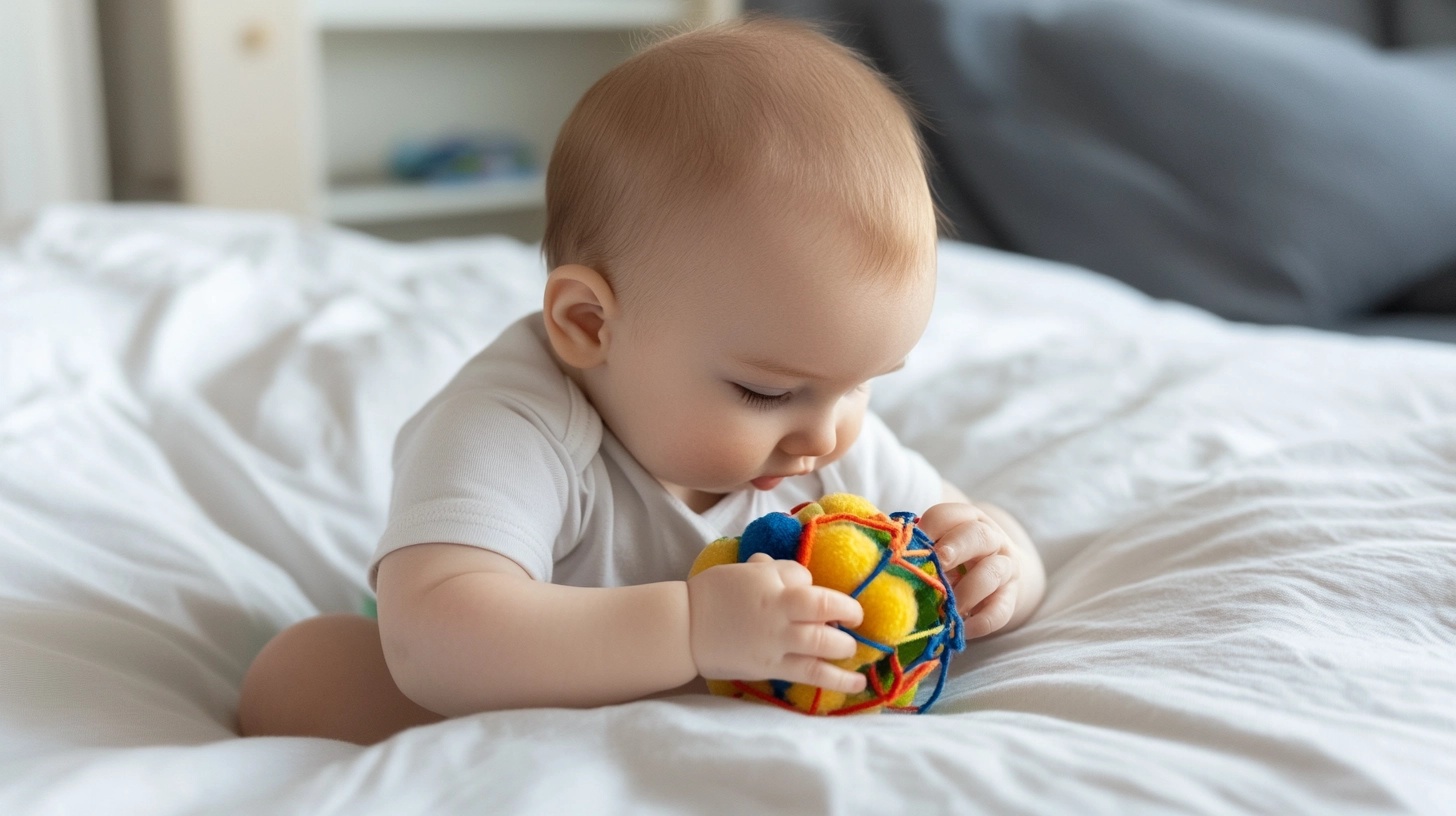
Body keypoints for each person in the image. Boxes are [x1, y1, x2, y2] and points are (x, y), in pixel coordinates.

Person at [237, 16, 1046, 745]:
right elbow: (434, 636)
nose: (826, 433)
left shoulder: (822, 433)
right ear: (591, 325)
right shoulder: (512, 423)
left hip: (709, 684)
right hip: (511, 667)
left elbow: (951, 534)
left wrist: (995, 561)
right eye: (765, 392)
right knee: (302, 673)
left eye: (864, 383)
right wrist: (691, 628)